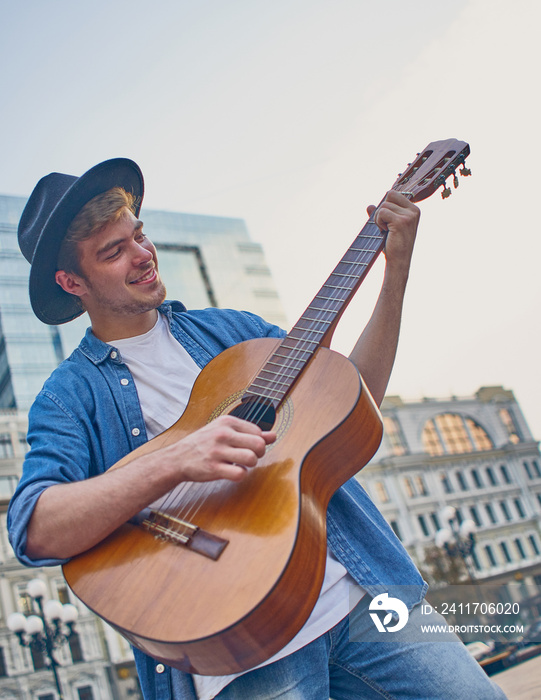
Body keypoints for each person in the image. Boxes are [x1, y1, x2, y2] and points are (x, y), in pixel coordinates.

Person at [8, 158, 506, 699]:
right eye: (114, 251)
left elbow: (353, 400)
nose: (142, 256)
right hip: (240, 649)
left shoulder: (234, 332)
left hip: (362, 593)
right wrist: (177, 458)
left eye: (140, 236)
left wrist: (396, 274)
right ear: (70, 281)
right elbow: (35, 525)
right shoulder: (69, 393)